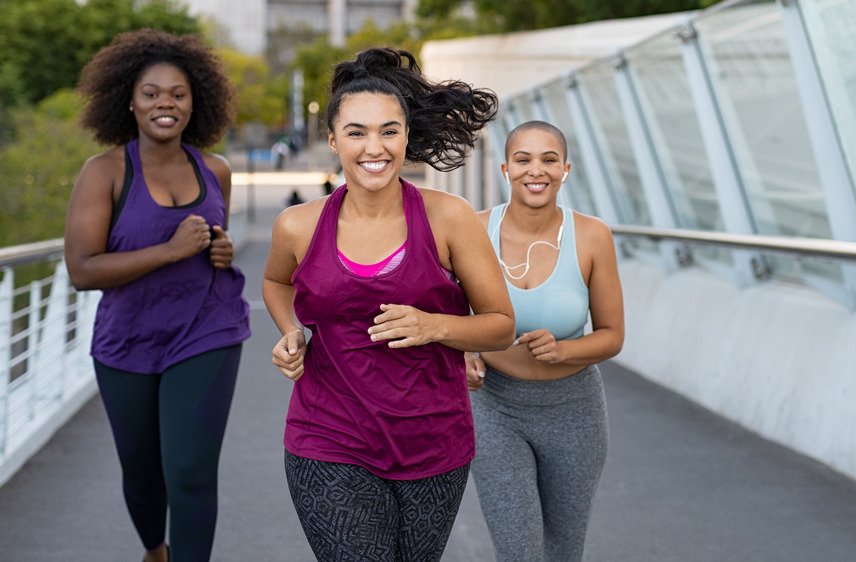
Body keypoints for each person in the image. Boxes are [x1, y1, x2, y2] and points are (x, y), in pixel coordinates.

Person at [262, 47, 515, 561]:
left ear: (406, 137)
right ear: (332, 139)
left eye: (389, 131)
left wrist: (433, 326)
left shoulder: (449, 218)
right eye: (356, 132)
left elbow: (501, 326)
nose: (373, 147)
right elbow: (275, 282)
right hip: (328, 436)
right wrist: (292, 331)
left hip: (433, 441)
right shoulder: (298, 225)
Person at [64, 29, 250, 562]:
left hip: (207, 331)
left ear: (196, 103)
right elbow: (81, 269)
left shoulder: (215, 169)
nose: (164, 103)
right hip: (129, 340)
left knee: (190, 470)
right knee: (143, 475)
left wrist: (221, 249)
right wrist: (170, 251)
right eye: (151, 93)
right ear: (128, 99)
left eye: (178, 93)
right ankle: (155, 549)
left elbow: (214, 242)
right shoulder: (103, 173)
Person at [465, 120, 625, 562]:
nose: (536, 171)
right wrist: (464, 352)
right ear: (505, 169)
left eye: (549, 160)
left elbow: (613, 336)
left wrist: (564, 350)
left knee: (563, 550)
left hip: (575, 411)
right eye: (523, 159)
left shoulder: (592, 236)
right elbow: (448, 311)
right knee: (518, 550)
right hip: (496, 408)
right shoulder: (474, 230)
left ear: (566, 170)